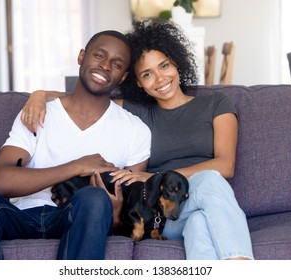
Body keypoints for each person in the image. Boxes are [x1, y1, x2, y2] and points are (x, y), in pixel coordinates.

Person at [23, 20, 254, 260]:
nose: (160, 79)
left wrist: (156, 178)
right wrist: (40, 95)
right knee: (203, 199)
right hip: (163, 213)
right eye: (147, 74)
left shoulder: (216, 104)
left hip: (207, 199)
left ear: (176, 62)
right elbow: (85, 98)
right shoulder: (139, 111)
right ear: (138, 82)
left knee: (200, 214)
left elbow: (225, 166)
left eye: (164, 66)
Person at [0, 30, 151, 260]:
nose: (106, 66)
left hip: (77, 217)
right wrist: (76, 166)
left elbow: (131, 214)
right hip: (19, 215)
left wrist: (115, 213)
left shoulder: (136, 131)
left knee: (94, 199)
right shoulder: (38, 111)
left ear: (124, 77)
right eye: (99, 55)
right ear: (81, 57)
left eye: (116, 64)